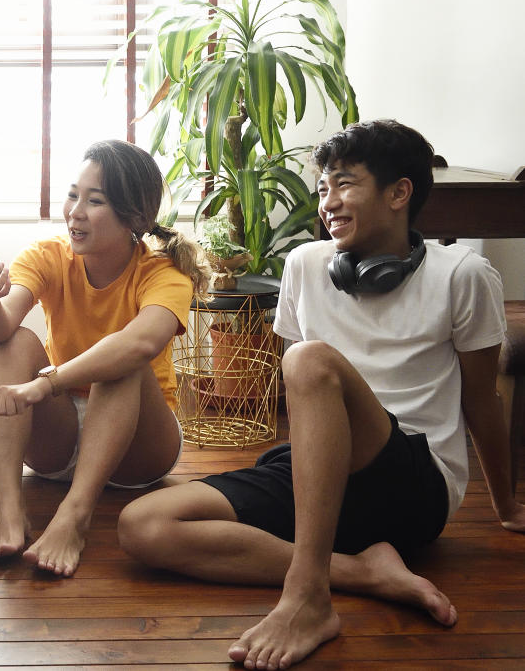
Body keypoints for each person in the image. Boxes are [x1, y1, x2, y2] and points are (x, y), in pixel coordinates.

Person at [117, 120, 525, 670]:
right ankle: (361, 570)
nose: (327, 202)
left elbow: (482, 400)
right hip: (321, 473)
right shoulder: (307, 265)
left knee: (306, 359)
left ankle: (308, 596)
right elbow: (303, 399)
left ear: (400, 192)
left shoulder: (464, 275)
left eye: (344, 184)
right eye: (322, 188)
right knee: (143, 526)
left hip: (413, 478)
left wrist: (506, 506)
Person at [0, 139, 211, 577]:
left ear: (135, 217)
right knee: (16, 342)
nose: (74, 211)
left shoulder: (163, 273)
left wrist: (45, 383)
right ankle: (9, 511)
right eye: (73, 194)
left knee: (122, 360)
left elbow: (140, 344)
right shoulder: (47, 256)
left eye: (94, 201)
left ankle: (73, 516)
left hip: (138, 446)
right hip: (58, 440)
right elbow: (0, 327)